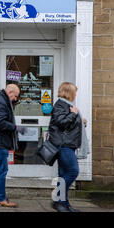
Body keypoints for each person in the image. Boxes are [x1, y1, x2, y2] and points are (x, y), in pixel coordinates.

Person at [49, 82, 86, 212]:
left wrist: (81, 121)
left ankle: (63, 204)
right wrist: (74, 114)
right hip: (63, 145)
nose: (76, 94)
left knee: (63, 174)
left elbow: (67, 124)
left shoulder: (66, 105)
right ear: (69, 92)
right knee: (73, 171)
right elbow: (61, 122)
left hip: (67, 144)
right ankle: (58, 200)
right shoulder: (61, 105)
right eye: (74, 92)